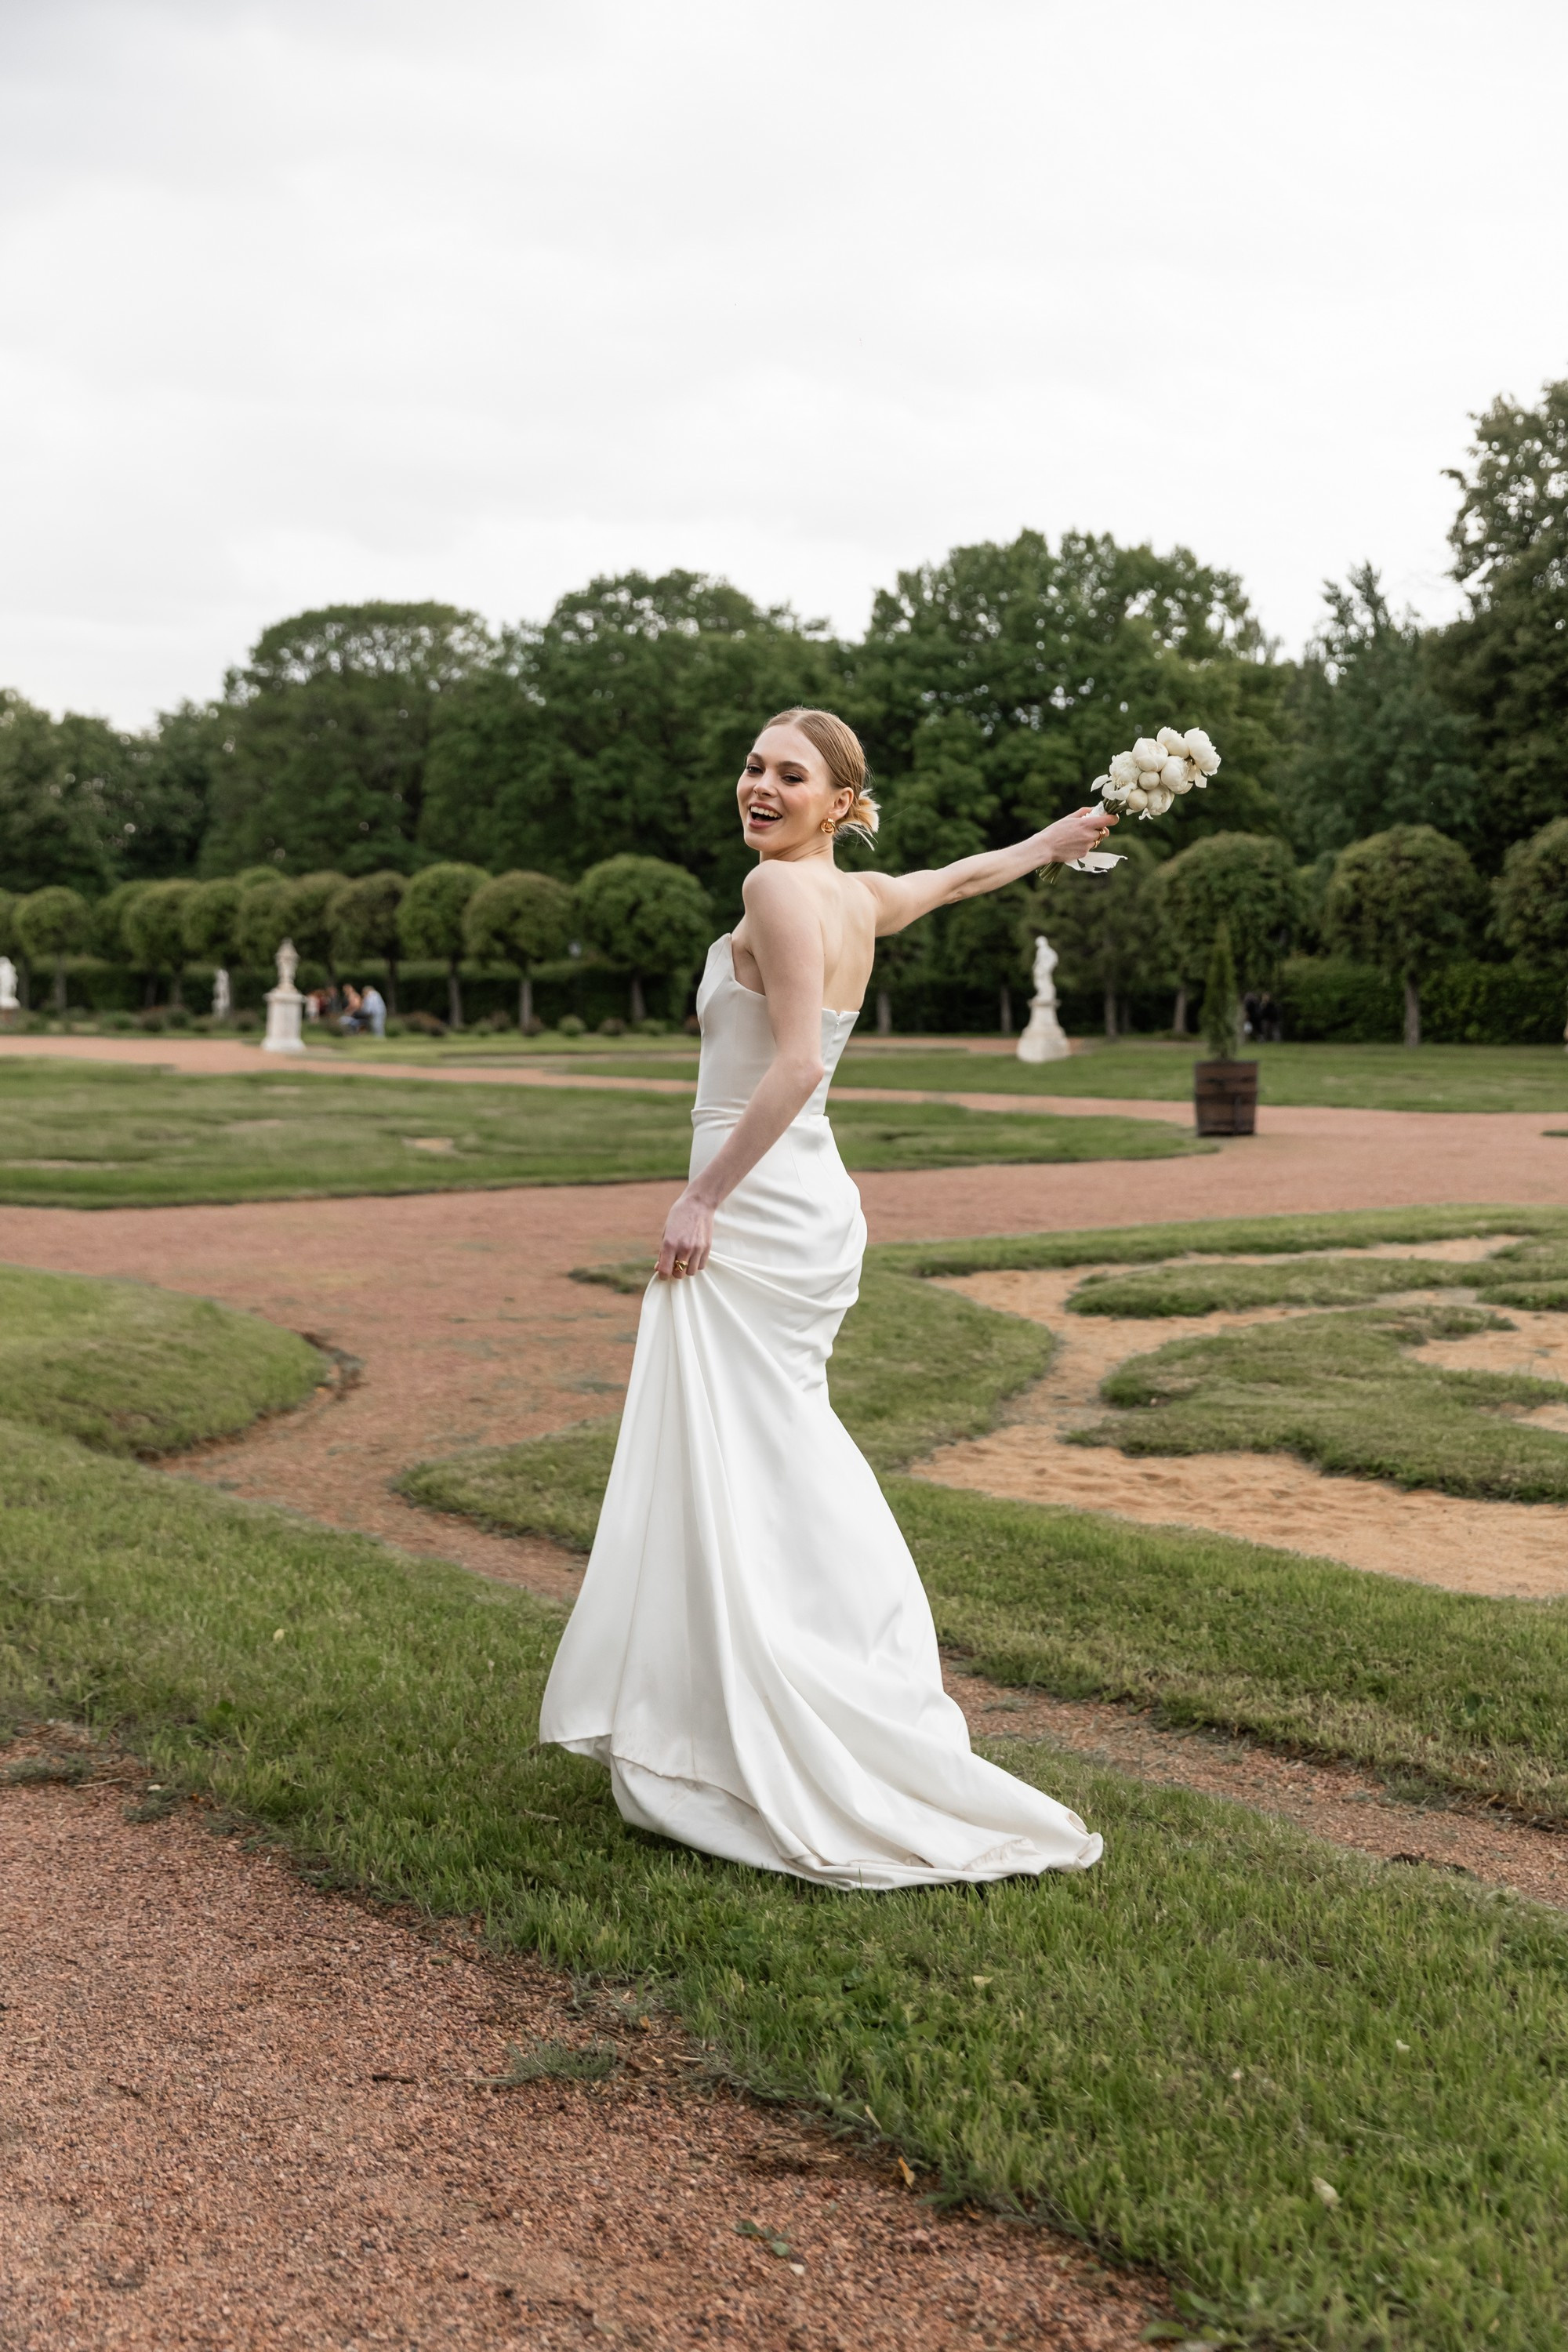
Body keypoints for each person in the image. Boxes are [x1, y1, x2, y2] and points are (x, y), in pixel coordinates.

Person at [539, 707, 1116, 1889]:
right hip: (806, 1202)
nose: (758, 785)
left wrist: (699, 1198)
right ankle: (767, 1685)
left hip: (755, 1205)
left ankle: (825, 1681)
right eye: (752, 764)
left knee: (760, 1453)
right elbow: (956, 881)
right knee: (759, 1447)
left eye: (788, 774)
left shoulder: (780, 898)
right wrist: (1049, 843)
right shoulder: (856, 898)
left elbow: (798, 1064)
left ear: (839, 804)